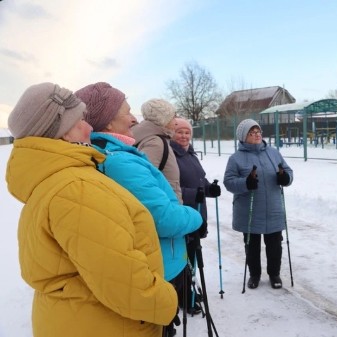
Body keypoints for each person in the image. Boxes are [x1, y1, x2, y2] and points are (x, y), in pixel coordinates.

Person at [5, 82, 178, 337]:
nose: (89, 127)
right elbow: (125, 283)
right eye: (80, 121)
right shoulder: (77, 189)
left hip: (77, 321)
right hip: (105, 325)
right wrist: (166, 302)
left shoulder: (56, 181)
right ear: (64, 132)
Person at [74, 82, 203, 336]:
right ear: (108, 122)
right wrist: (194, 214)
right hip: (161, 261)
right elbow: (162, 217)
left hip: (163, 255)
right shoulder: (124, 160)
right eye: (127, 112)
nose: (134, 119)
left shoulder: (123, 154)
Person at [223, 119, 293, 289]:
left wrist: (285, 178)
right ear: (243, 137)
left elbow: (288, 171)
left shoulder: (273, 153)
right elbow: (229, 182)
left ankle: (274, 274)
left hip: (273, 208)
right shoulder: (236, 158)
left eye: (258, 132)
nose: (256, 135)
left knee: (275, 244)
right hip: (250, 210)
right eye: (251, 133)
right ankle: (254, 275)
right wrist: (246, 183)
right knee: (252, 245)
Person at [168, 116, 222, 310]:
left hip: (197, 212)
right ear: (171, 133)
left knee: (192, 255)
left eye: (187, 132)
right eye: (179, 131)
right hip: (183, 213)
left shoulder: (190, 154)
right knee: (183, 256)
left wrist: (209, 189)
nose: (184, 135)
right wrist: (195, 193)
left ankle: (189, 289)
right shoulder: (170, 155)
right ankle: (183, 295)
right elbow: (170, 187)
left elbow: (200, 181)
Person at [132, 98, 183, 203]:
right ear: (163, 119)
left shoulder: (152, 138)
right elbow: (144, 181)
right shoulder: (155, 142)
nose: (176, 122)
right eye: (173, 117)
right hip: (165, 207)